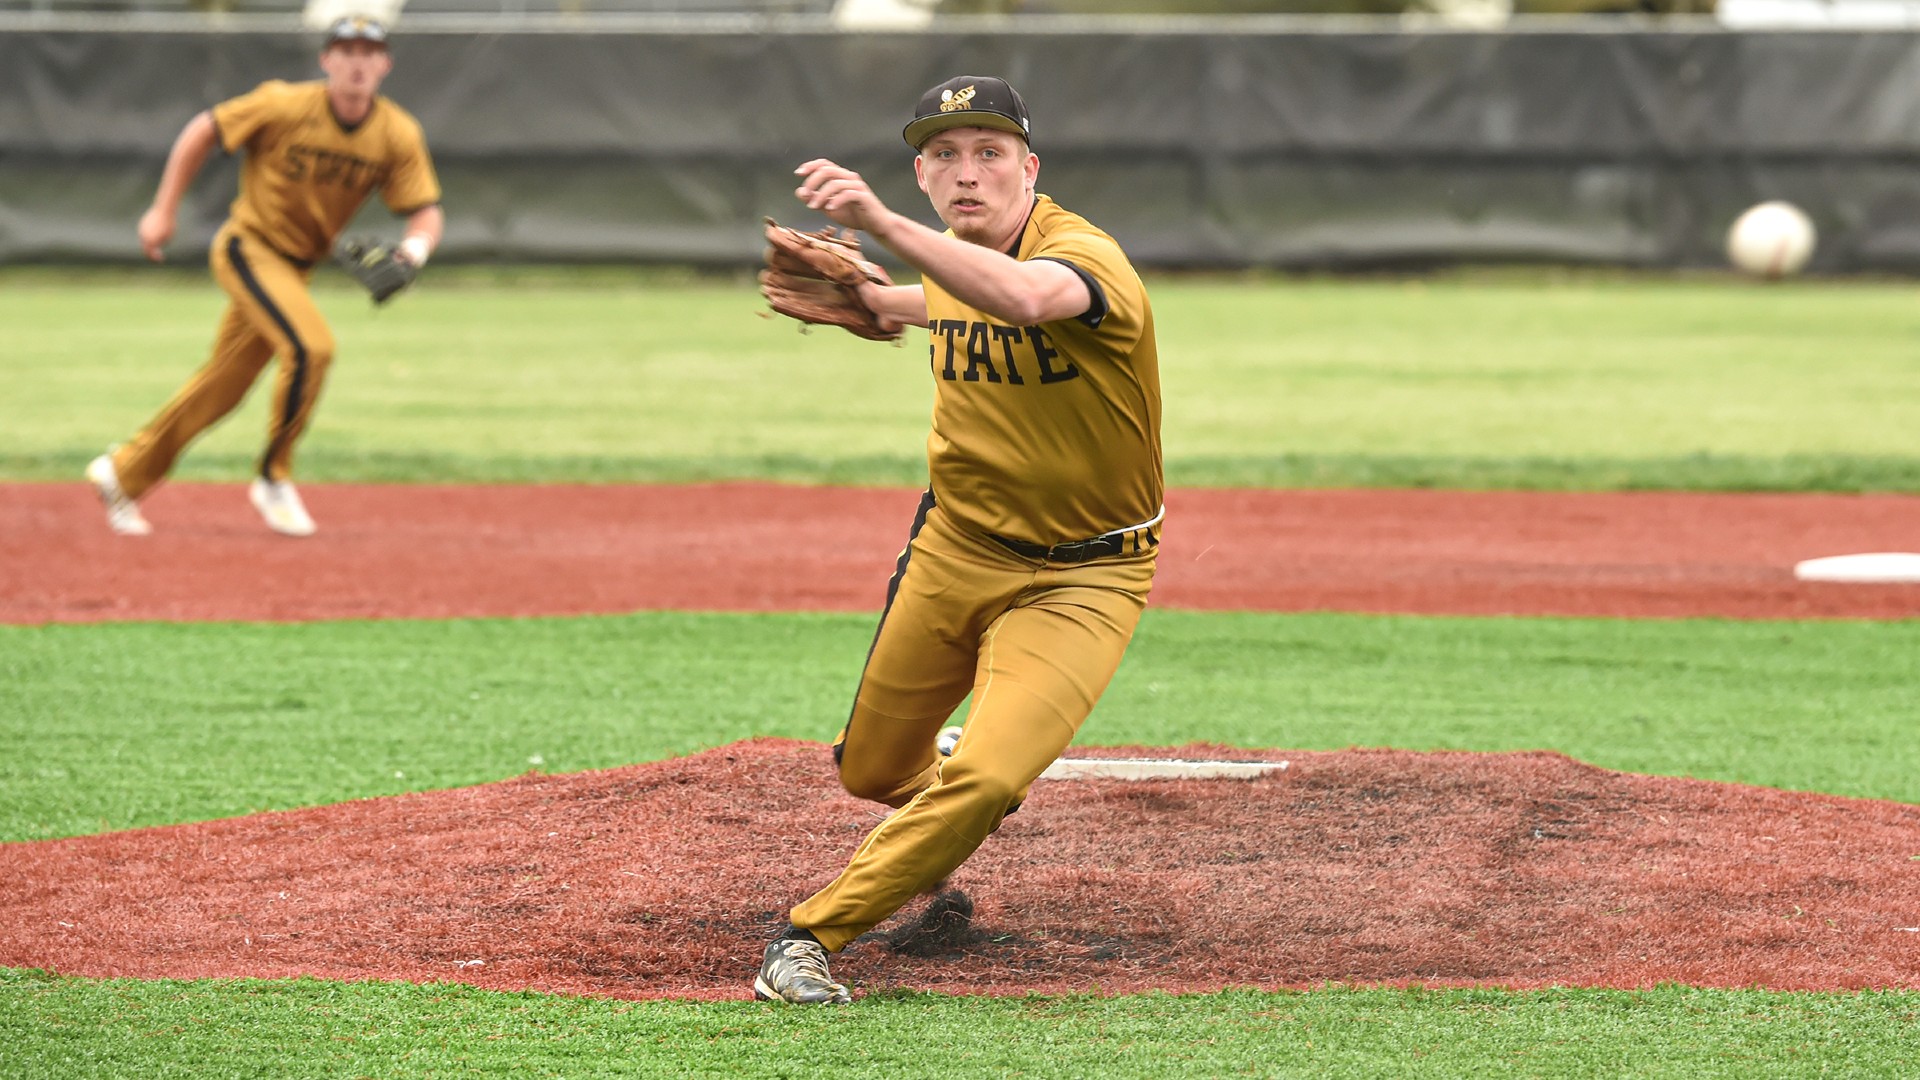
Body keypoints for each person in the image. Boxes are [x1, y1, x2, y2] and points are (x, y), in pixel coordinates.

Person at [752, 75, 1163, 1004]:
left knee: (977, 776)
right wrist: (877, 305)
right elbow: (952, 301)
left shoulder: (1080, 258)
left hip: (1086, 575)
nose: (965, 172)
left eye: (989, 153)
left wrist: (885, 226)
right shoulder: (958, 265)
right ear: (923, 171)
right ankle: (955, 812)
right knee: (872, 769)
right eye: (944, 155)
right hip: (955, 546)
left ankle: (809, 937)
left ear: (1031, 167)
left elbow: (1021, 298)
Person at [85, 16, 443, 537]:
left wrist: (412, 255)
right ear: (326, 61)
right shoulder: (284, 103)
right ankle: (274, 476)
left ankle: (122, 474)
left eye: (369, 51)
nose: (357, 62)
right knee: (312, 348)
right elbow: (203, 130)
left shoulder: (396, 132)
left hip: (296, 270)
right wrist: (163, 211)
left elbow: (426, 211)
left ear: (385, 64)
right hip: (249, 249)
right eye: (345, 50)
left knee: (222, 387)